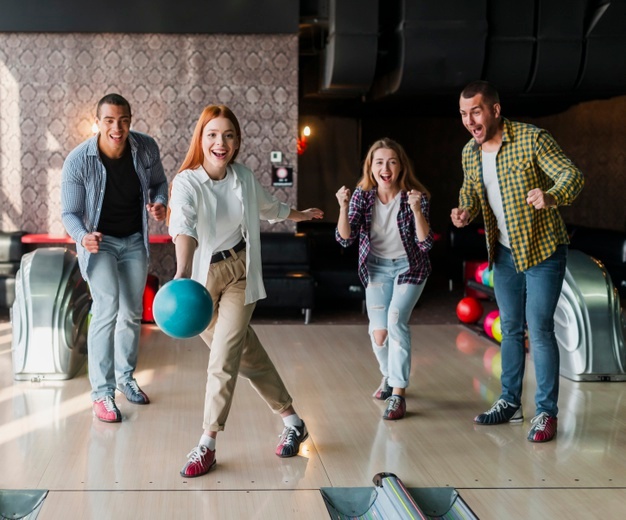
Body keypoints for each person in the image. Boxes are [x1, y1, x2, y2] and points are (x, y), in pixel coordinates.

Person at [168, 104, 324, 478]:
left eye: (228, 135)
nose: (220, 143)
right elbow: (184, 226)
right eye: (212, 135)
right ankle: (293, 421)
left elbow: (270, 208)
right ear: (201, 139)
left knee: (223, 357)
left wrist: (300, 215)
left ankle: (206, 444)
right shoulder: (186, 182)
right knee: (244, 353)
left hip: (239, 272)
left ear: (236, 141)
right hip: (200, 281)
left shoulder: (243, 177)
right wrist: (183, 274)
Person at [451, 80, 584, 442]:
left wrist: (552, 196)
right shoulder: (470, 152)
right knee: (510, 328)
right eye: (464, 114)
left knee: (538, 328)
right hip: (505, 253)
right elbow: (471, 192)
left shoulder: (531, 139)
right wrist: (465, 210)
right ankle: (510, 403)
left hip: (543, 249)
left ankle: (546, 413)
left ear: (495, 110)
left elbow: (572, 175)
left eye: (475, 111)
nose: (469, 121)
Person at [61, 93, 168, 423]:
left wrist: (160, 202)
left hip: (135, 240)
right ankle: (102, 394)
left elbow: (159, 183)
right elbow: (70, 212)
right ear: (98, 122)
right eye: (109, 120)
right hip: (100, 243)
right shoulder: (79, 160)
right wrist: (83, 236)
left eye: (123, 120)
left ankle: (125, 378)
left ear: (130, 120)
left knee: (132, 312)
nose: (117, 127)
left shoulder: (146, 147)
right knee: (107, 307)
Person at [335, 138, 434, 421]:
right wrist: (342, 207)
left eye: (392, 161)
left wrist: (416, 211)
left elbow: (425, 244)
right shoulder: (362, 197)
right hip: (376, 269)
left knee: (395, 320)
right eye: (379, 162)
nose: (385, 167)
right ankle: (389, 376)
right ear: (371, 167)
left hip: (410, 269)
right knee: (379, 335)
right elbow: (345, 238)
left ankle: (398, 394)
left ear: (400, 166)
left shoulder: (415, 197)